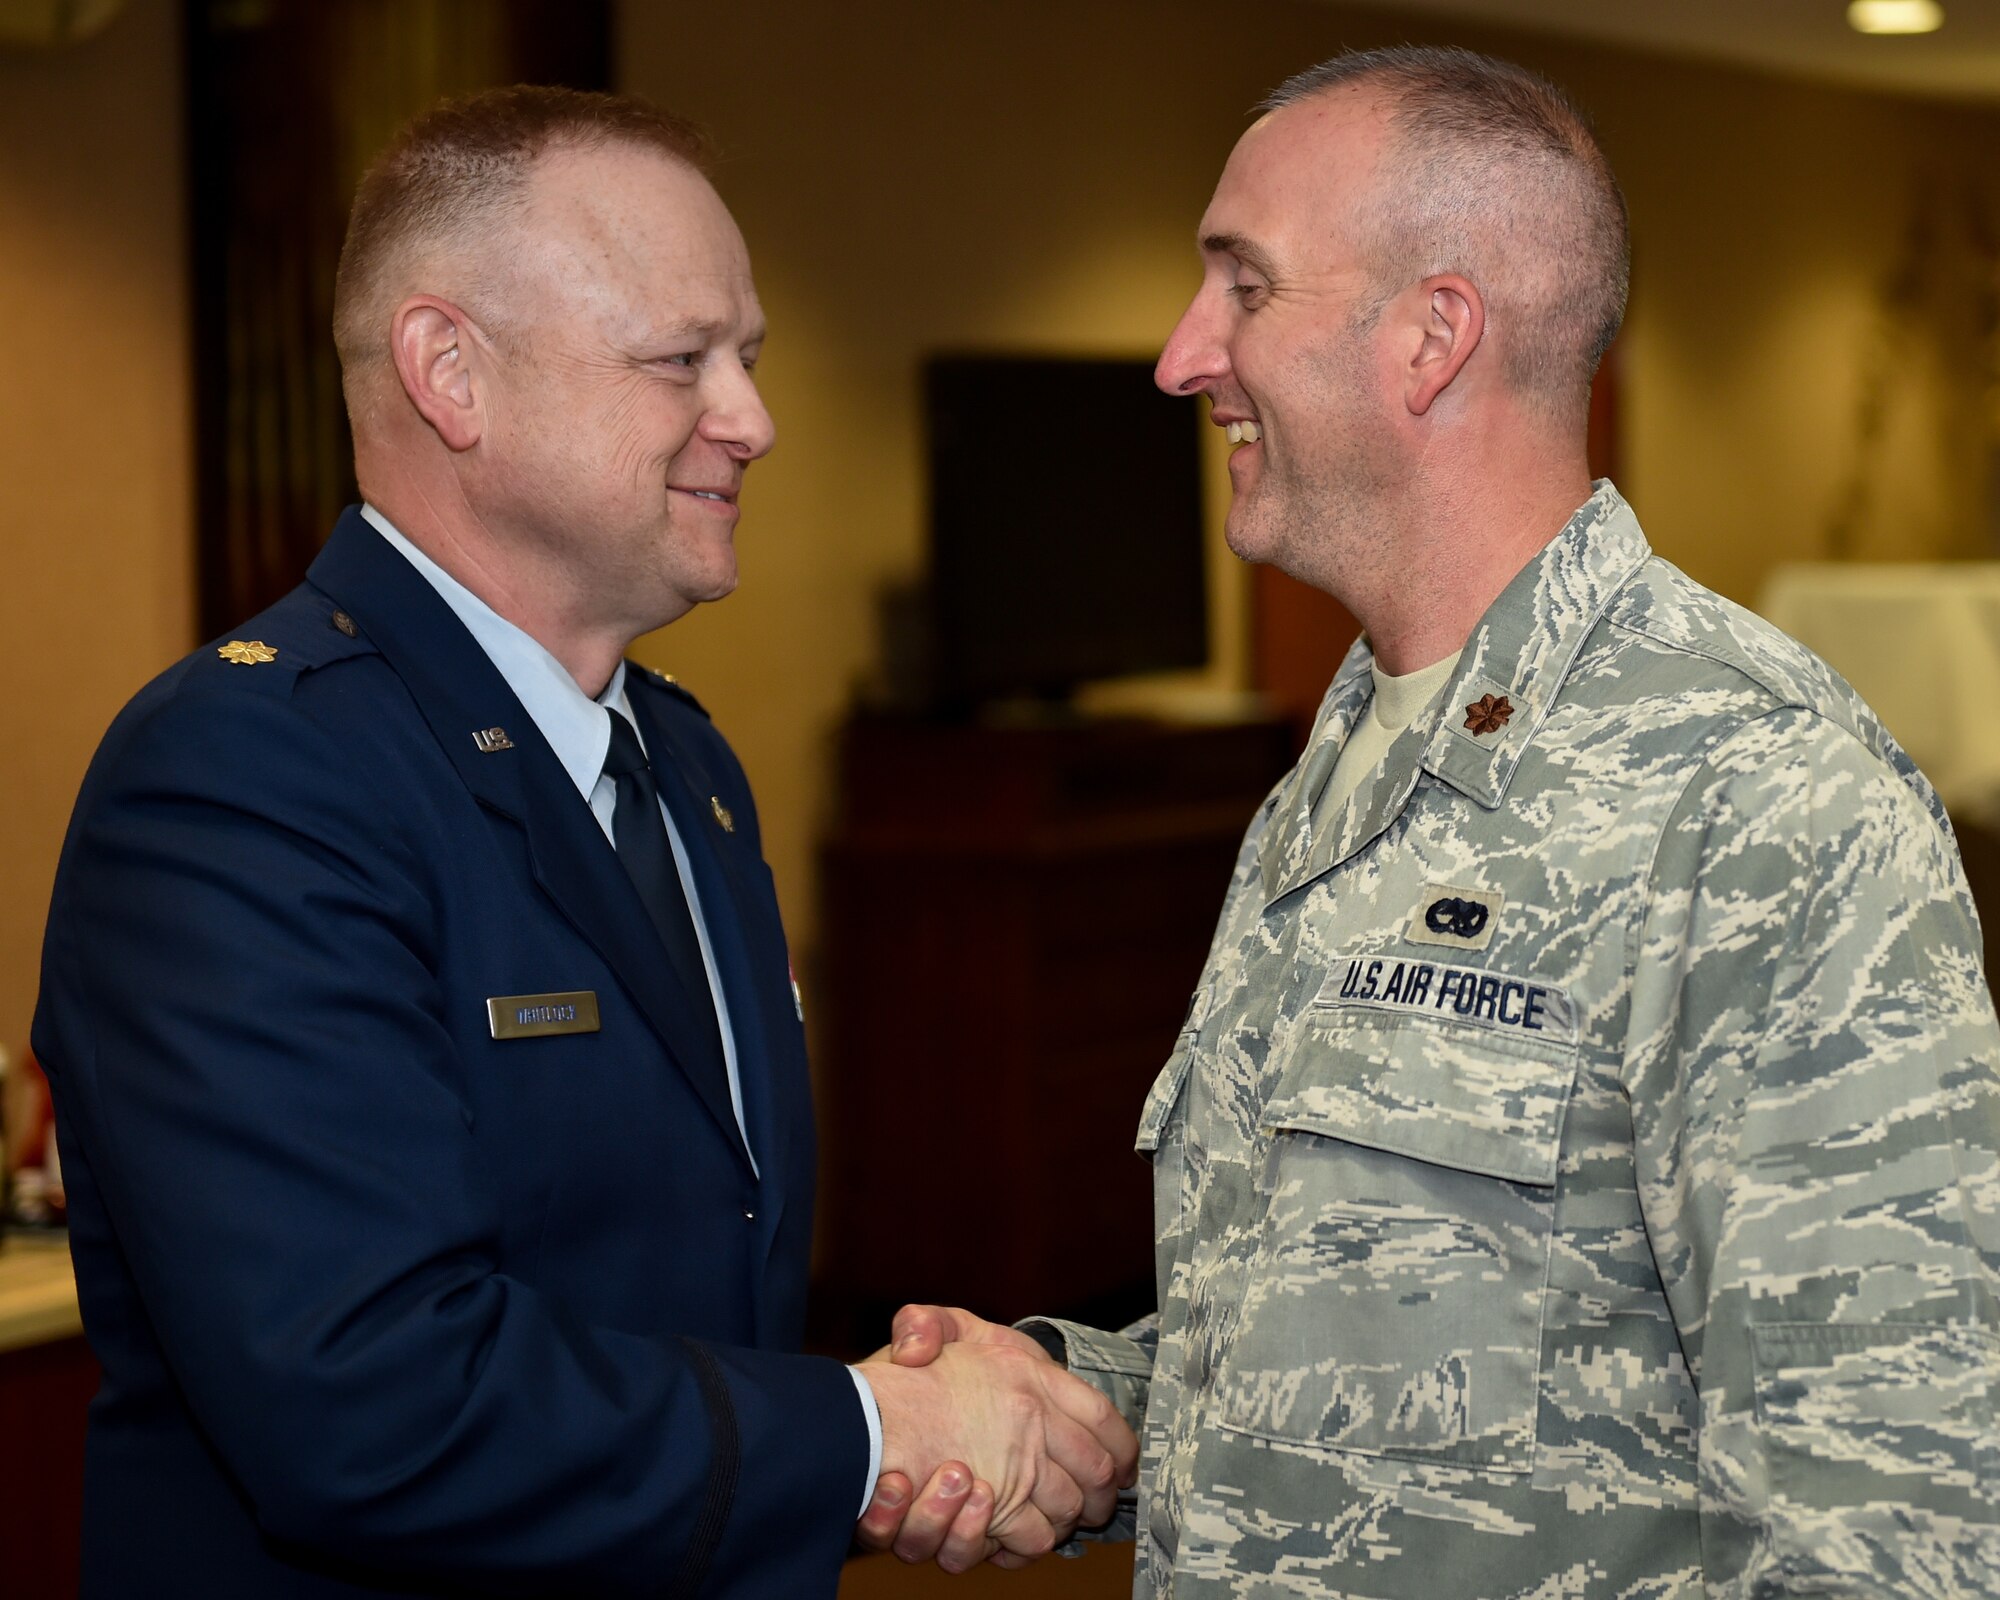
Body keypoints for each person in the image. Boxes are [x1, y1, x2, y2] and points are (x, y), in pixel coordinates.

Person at [863, 46, 2000, 1595]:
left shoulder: (1756, 797)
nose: (1184, 358)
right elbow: (1380, 1359)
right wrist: (1072, 1404)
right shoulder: (1331, 776)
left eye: (1243, 287)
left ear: (1432, 336)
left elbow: (1897, 1526)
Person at [33, 85, 1132, 1598]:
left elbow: (685, 1282)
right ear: (450, 374)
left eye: (747, 357)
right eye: (683, 359)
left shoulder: (688, 767)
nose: (754, 418)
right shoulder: (243, 779)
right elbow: (370, 1398)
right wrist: (875, 1430)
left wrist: (886, 1424)